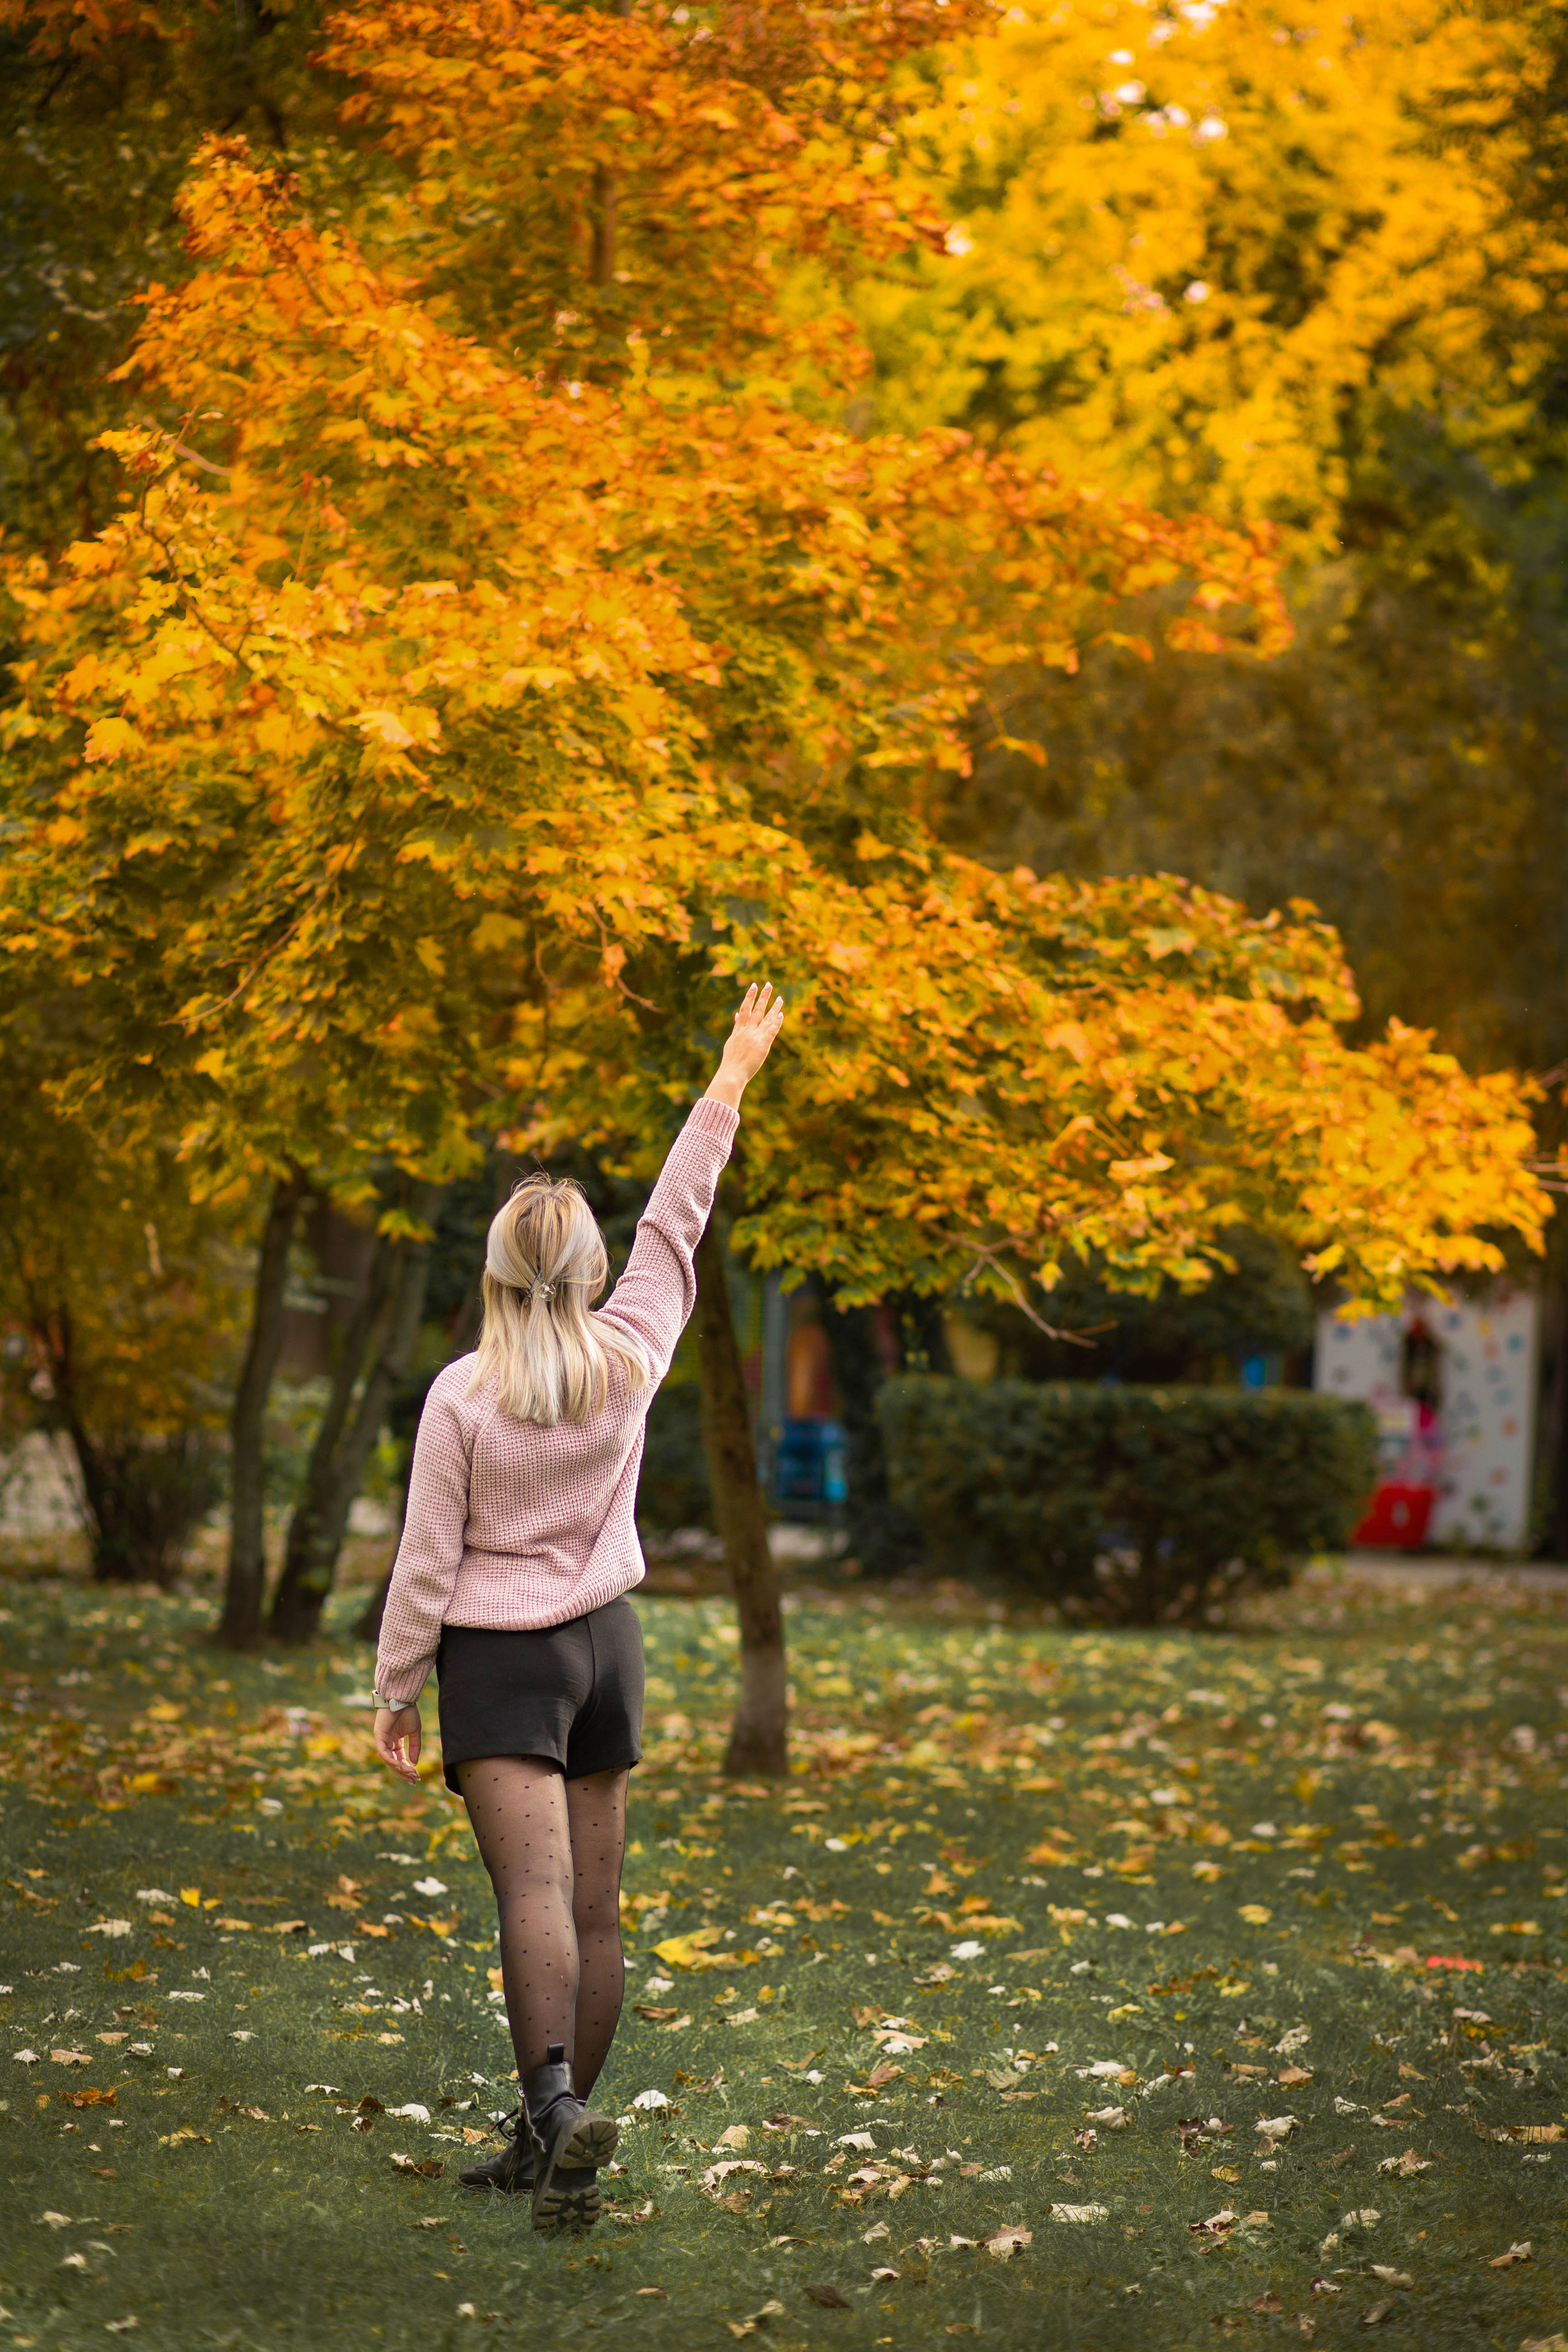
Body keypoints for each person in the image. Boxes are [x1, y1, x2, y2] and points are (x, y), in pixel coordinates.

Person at [370, 983, 785, 2230]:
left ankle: (553, 2113)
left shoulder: (462, 1395)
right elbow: (679, 1217)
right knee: (595, 1908)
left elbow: (425, 1563)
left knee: (534, 1901)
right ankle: (551, 2147)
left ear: (494, 1273)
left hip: (504, 1663)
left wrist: (398, 1688)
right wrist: (729, 1075)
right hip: (609, 1647)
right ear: (590, 1270)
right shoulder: (635, 1349)